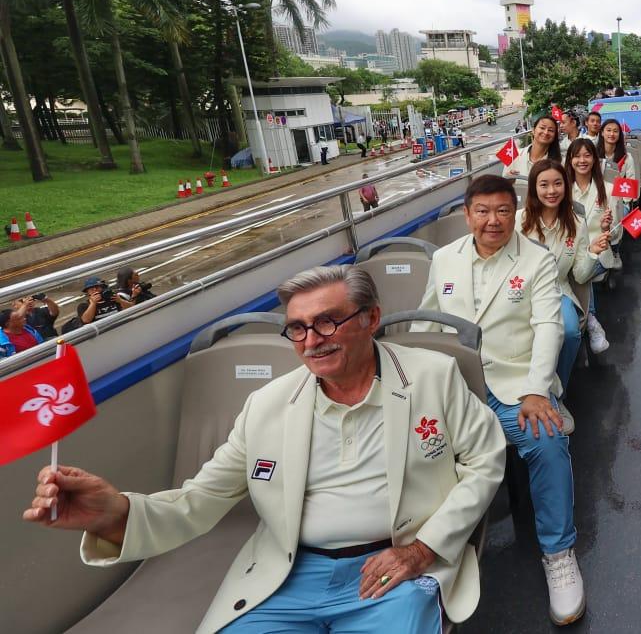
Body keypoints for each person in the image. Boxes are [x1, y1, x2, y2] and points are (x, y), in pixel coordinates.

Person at [22, 265, 507, 633]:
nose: (311, 341)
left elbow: (486, 461)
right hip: (290, 573)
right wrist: (115, 513)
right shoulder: (267, 407)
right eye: (297, 328)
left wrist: (423, 550)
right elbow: (198, 502)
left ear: (371, 318)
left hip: (393, 569)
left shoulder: (431, 377)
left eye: (328, 322)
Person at [412, 174, 586, 626]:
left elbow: (550, 326)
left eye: (502, 211)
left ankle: (558, 553)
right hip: (453, 391)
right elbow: (428, 322)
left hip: (512, 388)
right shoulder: (445, 259)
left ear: (516, 213)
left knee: (547, 442)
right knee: (409, 445)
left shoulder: (537, 261)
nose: (493, 221)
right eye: (483, 211)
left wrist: (536, 389)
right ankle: (429, 550)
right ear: (467, 214)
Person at [517, 161, 613, 429]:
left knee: (570, 331)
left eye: (557, 183)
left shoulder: (576, 224)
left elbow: (581, 275)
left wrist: (594, 251)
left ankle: (555, 393)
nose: (551, 191)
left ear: (565, 187)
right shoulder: (518, 221)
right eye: (544, 184)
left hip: (557, 289)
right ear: (534, 188)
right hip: (520, 290)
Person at [566, 138, 618, 354]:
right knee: (568, 264)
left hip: (599, 252)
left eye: (587, 155)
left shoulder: (608, 189)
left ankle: (590, 320)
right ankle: (591, 318)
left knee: (580, 268)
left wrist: (607, 227)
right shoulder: (561, 190)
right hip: (568, 249)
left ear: (595, 160)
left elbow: (618, 233)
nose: (582, 160)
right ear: (569, 160)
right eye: (577, 156)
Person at [595, 118, 636, 187]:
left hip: (618, 195)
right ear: (602, 133)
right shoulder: (594, 155)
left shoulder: (627, 157)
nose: (612, 134)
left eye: (615, 131)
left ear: (619, 134)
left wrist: (624, 198)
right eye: (608, 130)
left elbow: (630, 181)